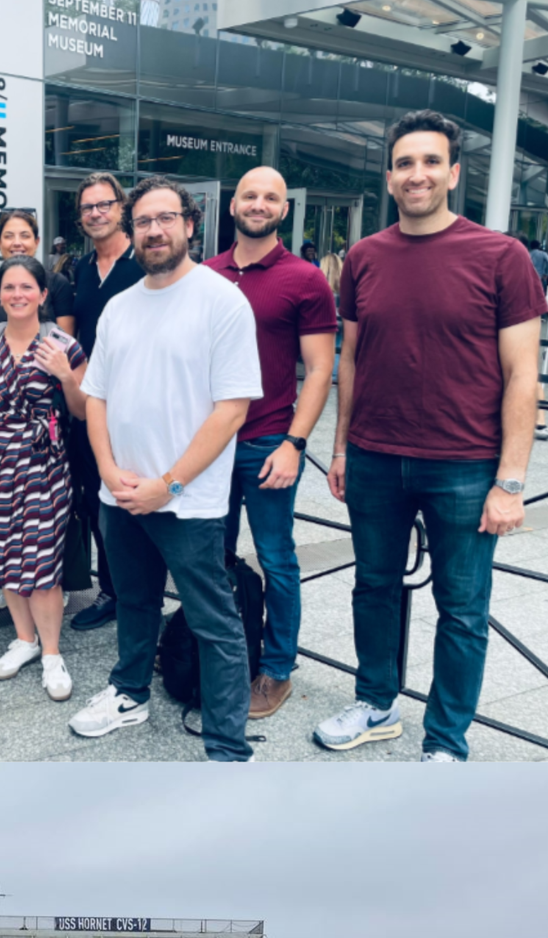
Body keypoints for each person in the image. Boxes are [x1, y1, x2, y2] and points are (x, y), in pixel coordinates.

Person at [315, 109, 544, 761]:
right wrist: (340, 449)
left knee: (463, 609)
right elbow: (350, 358)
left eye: (430, 161)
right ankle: (376, 702)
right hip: (374, 458)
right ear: (390, 176)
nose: (418, 174)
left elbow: (522, 373)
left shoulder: (502, 256)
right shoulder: (364, 257)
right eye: (406, 162)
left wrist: (511, 481)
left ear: (454, 172)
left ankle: (446, 739)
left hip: (466, 466)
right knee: (373, 587)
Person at [71, 176, 262, 761]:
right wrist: (106, 470)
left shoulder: (222, 300)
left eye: (165, 218)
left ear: (190, 223)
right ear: (131, 232)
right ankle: (130, 693)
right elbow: (96, 396)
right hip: (121, 494)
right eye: (143, 222)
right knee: (134, 601)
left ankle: (227, 745)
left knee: (214, 621)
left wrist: (169, 484)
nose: (154, 230)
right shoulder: (121, 307)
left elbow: (232, 409)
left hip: (188, 500)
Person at [205, 167, 337, 720]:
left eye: (271, 198)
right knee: (211, 558)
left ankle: (277, 669)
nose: (259, 204)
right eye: (250, 195)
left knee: (278, 560)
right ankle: (219, 654)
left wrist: (295, 443)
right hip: (209, 444)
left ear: (284, 210)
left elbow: (321, 370)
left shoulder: (306, 279)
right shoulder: (204, 274)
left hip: (266, 443)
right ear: (233, 204)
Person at [0, 254, 88, 700]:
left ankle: (51, 652)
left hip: (42, 462)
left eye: (26, 287)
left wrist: (66, 377)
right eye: (8, 288)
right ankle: (24, 640)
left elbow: (83, 410)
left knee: (42, 562)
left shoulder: (62, 344)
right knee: (8, 557)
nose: (17, 295)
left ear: (43, 294)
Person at [68, 172, 145, 634]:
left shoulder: (145, 263)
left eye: (104, 204)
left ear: (122, 207)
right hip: (91, 404)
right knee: (97, 505)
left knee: (137, 500)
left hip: (137, 405)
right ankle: (112, 592)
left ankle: (141, 593)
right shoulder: (79, 269)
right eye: (87, 207)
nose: (96, 213)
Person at [0, 210, 75, 337]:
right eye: (9, 236)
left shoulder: (57, 284)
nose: (17, 243)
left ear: (36, 242)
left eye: (25, 236)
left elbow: (65, 343)